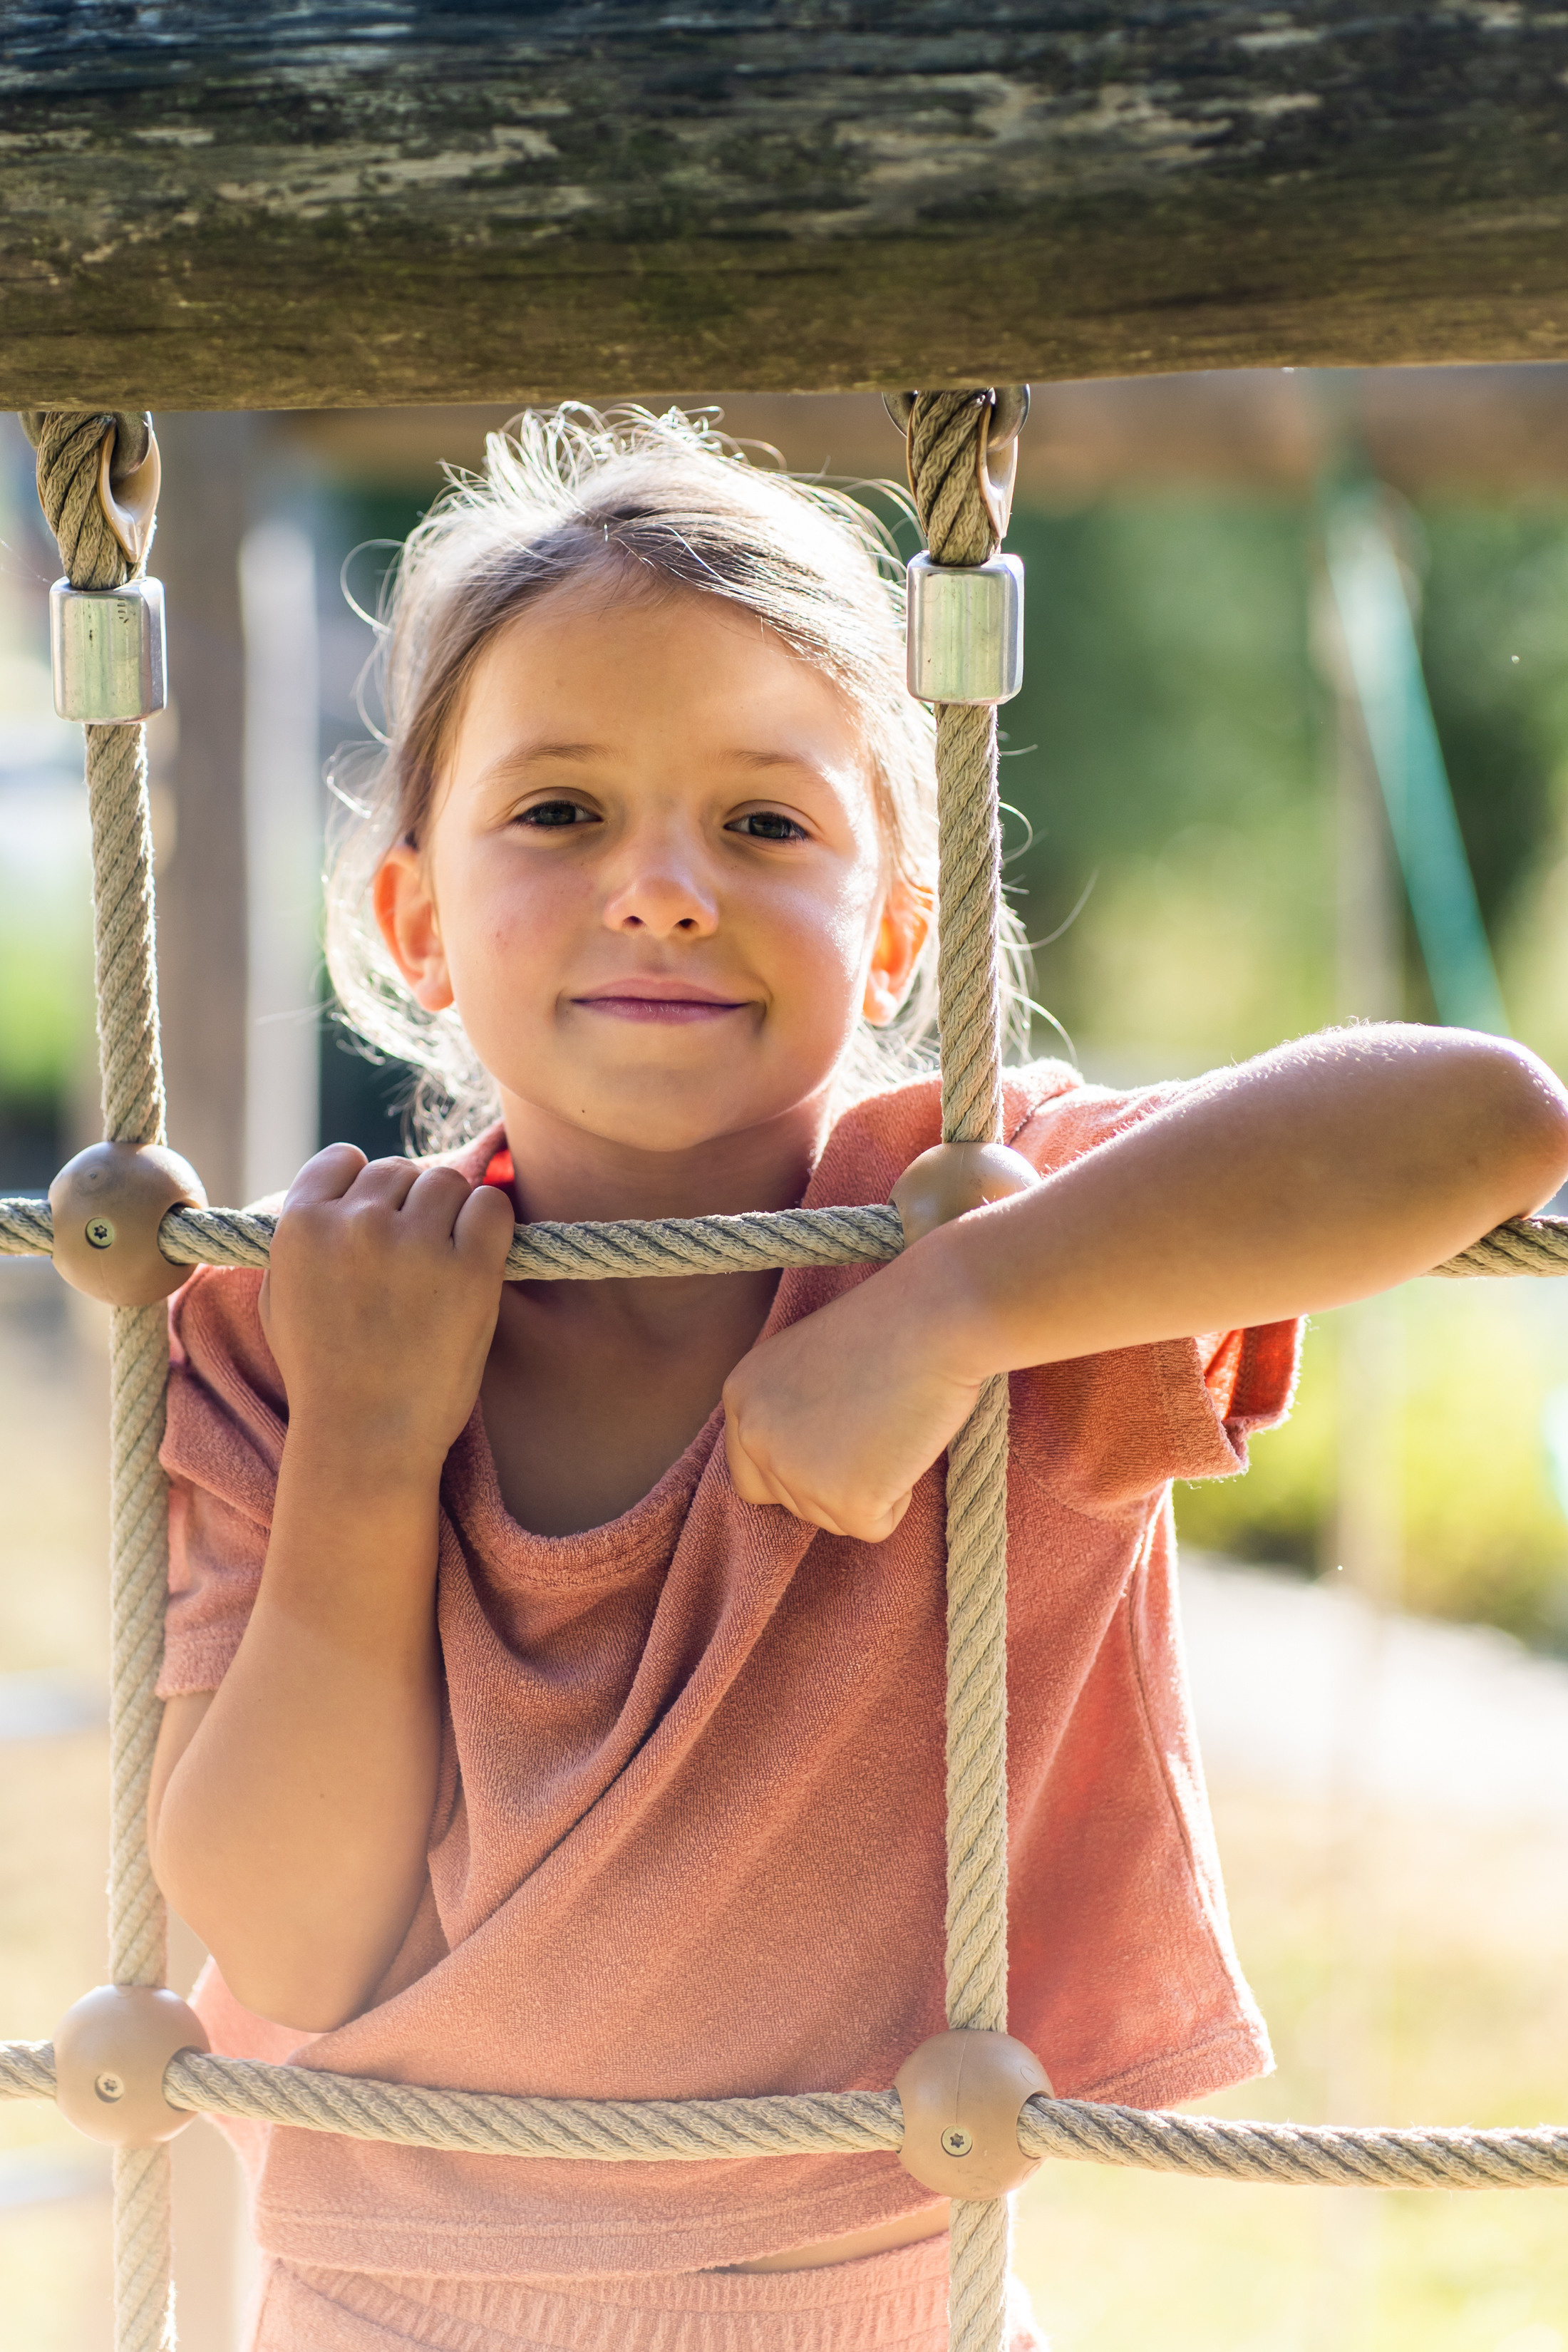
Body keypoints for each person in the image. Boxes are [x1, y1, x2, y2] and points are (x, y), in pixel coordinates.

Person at [145, 408, 1568, 2352]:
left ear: (898, 924)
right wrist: (371, 1457)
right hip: (376, 2307)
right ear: (414, 917)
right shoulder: (299, 1318)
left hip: (874, 2302)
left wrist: (946, 1318)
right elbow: (284, 1928)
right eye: (559, 811)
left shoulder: (973, 1223)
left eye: (765, 822)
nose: (662, 886)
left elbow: (1484, 1119)